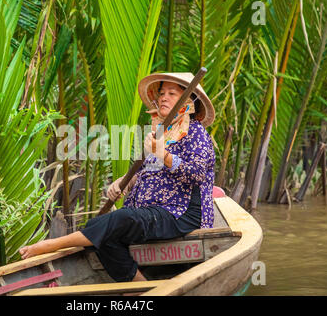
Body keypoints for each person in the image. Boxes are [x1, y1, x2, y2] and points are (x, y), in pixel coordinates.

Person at [19, 72, 216, 283]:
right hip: (150, 212)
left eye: (172, 93)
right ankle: (139, 285)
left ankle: (52, 244)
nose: (163, 98)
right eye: (161, 93)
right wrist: (124, 182)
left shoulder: (196, 133)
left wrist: (164, 155)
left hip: (181, 213)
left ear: (188, 101)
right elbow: (149, 170)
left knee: (119, 220)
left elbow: (196, 174)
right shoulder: (163, 133)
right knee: (105, 233)